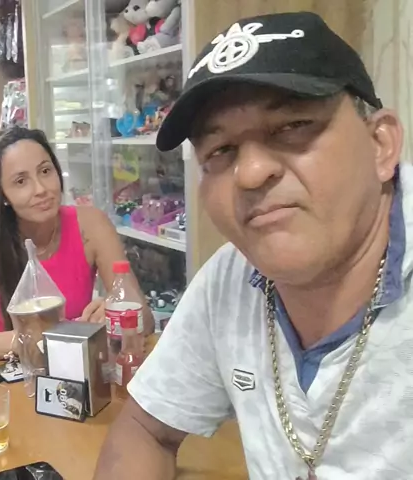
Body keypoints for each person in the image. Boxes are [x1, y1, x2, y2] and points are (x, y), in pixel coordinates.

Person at [95, 11, 410, 479]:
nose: (251, 173)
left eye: (292, 126)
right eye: (220, 151)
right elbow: (145, 428)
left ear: (380, 145)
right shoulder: (230, 278)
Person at [0, 127, 152, 362]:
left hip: (78, 368)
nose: (41, 189)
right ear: (3, 195)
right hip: (12, 373)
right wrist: (26, 340)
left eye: (45, 171)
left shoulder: (91, 225)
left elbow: (146, 318)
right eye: (21, 181)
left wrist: (116, 315)